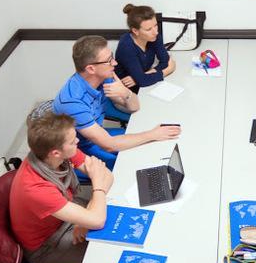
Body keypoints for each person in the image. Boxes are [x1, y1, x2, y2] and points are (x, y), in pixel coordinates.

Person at [53, 35, 180, 169]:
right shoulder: (73, 102)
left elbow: (135, 106)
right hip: (77, 150)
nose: (115, 63)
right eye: (109, 60)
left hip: (97, 136)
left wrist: (126, 93)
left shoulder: (104, 76)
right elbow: (109, 145)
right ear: (91, 69)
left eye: (112, 57)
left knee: (147, 144)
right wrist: (153, 134)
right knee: (131, 165)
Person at [9, 112, 112, 263]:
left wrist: (84, 221)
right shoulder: (35, 189)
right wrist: (97, 188)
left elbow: (107, 175)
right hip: (48, 244)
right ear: (56, 153)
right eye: (72, 141)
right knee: (108, 256)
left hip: (66, 214)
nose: (77, 141)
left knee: (114, 221)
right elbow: (97, 220)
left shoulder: (56, 152)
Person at [114, 4, 176, 89]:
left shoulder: (154, 37)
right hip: (126, 88)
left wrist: (143, 76)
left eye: (156, 25)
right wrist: (168, 70)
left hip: (145, 84)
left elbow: (165, 61)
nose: (155, 32)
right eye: (148, 29)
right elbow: (143, 81)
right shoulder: (126, 47)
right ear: (135, 31)